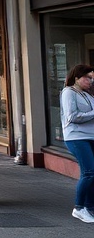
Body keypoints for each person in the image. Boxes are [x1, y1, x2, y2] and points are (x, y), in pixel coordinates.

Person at [61, 64, 94, 222]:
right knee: (89, 172)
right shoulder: (69, 92)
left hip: (90, 137)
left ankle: (89, 207)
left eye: (92, 78)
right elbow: (72, 116)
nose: (90, 81)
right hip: (76, 137)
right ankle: (79, 208)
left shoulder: (88, 95)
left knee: (91, 173)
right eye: (87, 78)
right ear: (76, 78)